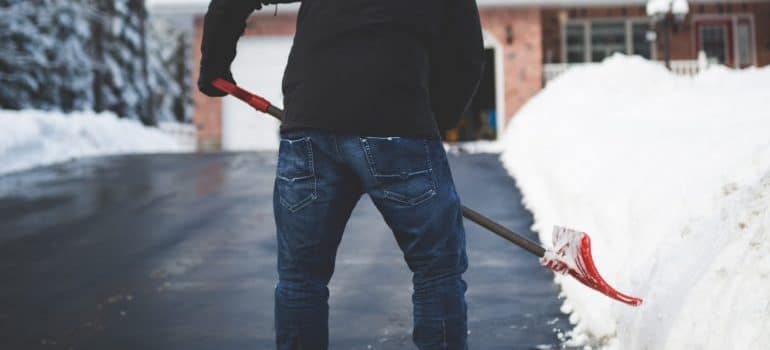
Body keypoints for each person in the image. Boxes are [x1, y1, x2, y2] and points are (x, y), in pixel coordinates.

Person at [198, 1, 484, 349]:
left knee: (301, 278)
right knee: (437, 271)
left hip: (312, 123)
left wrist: (214, 62)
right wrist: (430, 123)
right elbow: (466, 59)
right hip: (397, 121)